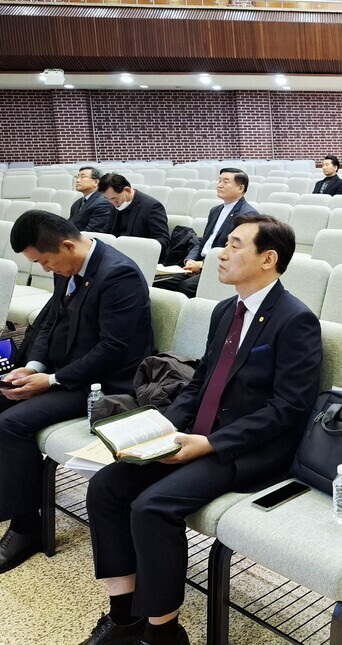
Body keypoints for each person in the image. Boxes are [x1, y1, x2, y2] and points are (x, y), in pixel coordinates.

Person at [81, 214, 322, 645]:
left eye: (234, 245)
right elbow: (200, 383)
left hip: (247, 450)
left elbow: (289, 408)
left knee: (152, 508)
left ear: (268, 259)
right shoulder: (226, 310)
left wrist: (210, 444)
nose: (220, 254)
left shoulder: (295, 320)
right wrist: (160, 427)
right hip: (198, 435)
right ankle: (124, 617)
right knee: (106, 487)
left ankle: (163, 633)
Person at [0, 211, 152, 574]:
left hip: (105, 384)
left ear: (67, 246)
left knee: (12, 423)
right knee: (2, 395)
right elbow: (49, 322)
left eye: (45, 261)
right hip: (64, 371)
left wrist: (52, 381)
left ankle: (27, 526)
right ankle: (10, 497)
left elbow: (112, 350)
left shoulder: (119, 275)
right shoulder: (66, 266)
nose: (46, 269)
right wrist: (34, 367)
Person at [155, 168, 258, 299]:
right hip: (199, 263)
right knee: (163, 280)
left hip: (219, 266)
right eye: (219, 181)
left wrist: (202, 266)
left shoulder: (247, 215)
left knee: (186, 286)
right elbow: (204, 241)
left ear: (240, 188)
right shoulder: (215, 210)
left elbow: (237, 251)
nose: (219, 185)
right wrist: (191, 259)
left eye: (226, 182)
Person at [99, 173, 172, 264]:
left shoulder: (152, 206)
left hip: (142, 258)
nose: (113, 203)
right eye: (108, 199)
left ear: (127, 190)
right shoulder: (114, 204)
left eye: (115, 198)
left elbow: (163, 240)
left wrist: (137, 246)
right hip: (118, 256)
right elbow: (107, 231)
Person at [69, 166, 115, 233]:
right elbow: (69, 224)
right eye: (77, 177)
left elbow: (92, 232)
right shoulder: (77, 203)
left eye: (82, 177)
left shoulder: (103, 203)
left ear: (96, 182)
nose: (77, 180)